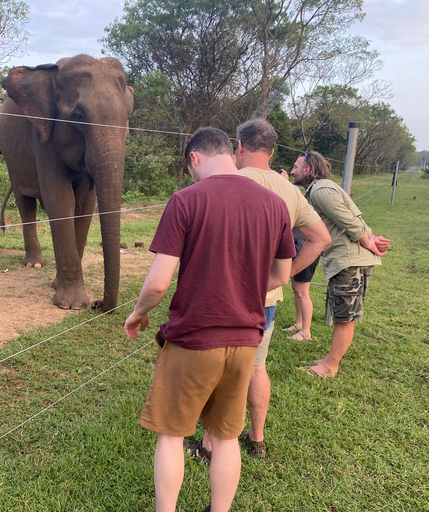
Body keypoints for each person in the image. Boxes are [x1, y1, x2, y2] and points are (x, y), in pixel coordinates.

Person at [124, 127, 295, 512]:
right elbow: (281, 275)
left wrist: (139, 313)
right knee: (226, 435)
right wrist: (243, 287)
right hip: (247, 339)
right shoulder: (274, 204)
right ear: (230, 153)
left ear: (195, 158)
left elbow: (157, 283)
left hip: (194, 339)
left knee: (171, 434)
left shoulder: (186, 200)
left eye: (190, 168)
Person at [188, 119, 331, 460]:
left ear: (238, 146)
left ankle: (210, 445)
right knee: (255, 367)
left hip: (226, 296)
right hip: (267, 299)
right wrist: (286, 274)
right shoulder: (290, 191)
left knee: (220, 371)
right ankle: (257, 440)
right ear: (272, 150)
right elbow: (321, 238)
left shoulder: (229, 180)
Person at [289, 150, 391, 377]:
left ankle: (329, 366)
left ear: (307, 169)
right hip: (347, 259)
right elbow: (353, 219)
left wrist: (370, 243)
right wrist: (371, 238)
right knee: (343, 313)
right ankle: (328, 360)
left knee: (345, 316)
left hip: (349, 261)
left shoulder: (321, 189)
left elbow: (348, 221)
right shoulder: (321, 189)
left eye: (296, 166)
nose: (293, 170)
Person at [282, 228, 321, 341]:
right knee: (296, 288)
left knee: (302, 291)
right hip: (296, 244)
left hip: (304, 249)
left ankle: (306, 332)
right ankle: (299, 323)